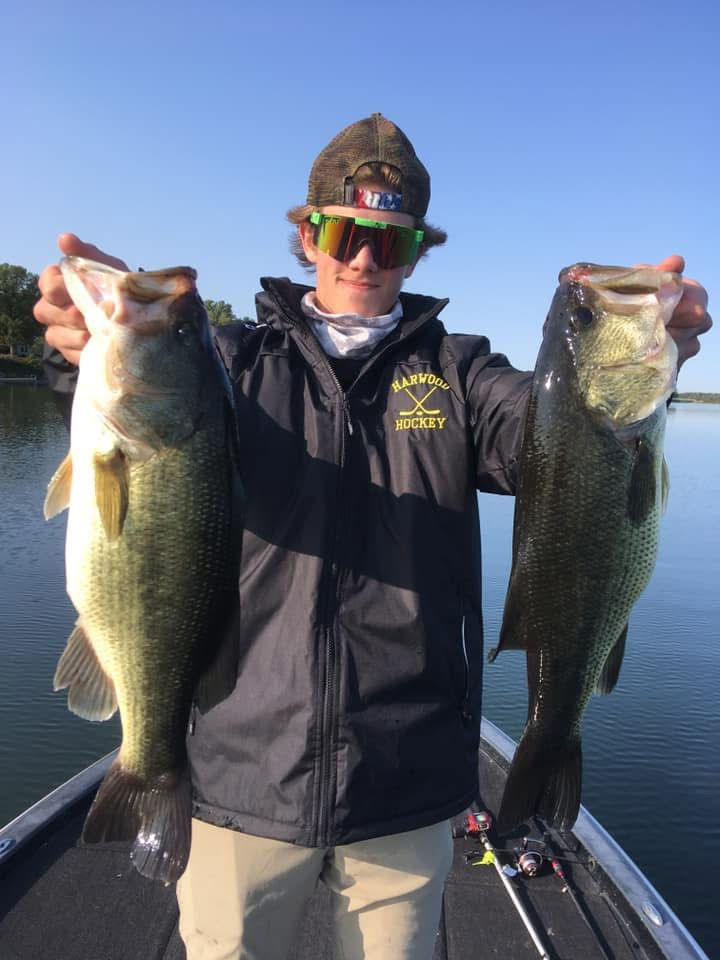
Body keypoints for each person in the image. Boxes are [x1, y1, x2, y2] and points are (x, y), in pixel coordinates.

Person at [34, 113, 712, 960]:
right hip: (244, 772)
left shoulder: (464, 374)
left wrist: (642, 369)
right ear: (307, 234)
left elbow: (546, 444)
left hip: (407, 780)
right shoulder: (226, 364)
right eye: (343, 231)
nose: (362, 257)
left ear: (419, 252)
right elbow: (139, 417)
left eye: (389, 243)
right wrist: (76, 351)